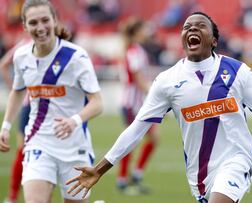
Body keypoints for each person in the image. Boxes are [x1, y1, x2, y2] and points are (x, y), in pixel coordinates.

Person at [66, 12, 252, 203]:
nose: (191, 29)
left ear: (213, 39)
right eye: (186, 27)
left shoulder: (238, 72)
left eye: (200, 25)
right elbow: (137, 128)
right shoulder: (167, 81)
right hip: (199, 175)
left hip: (237, 161)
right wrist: (101, 168)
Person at [0, 0, 103, 203]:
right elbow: (18, 91)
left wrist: (74, 120)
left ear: (55, 20)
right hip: (39, 142)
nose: (40, 28)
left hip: (75, 147)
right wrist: (6, 125)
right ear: (24, 25)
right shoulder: (21, 56)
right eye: (33, 22)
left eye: (45, 20)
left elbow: (97, 102)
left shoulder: (76, 57)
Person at [116, 17, 159, 194]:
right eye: (143, 28)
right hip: (132, 104)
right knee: (131, 141)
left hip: (137, 103)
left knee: (151, 138)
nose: (147, 32)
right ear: (136, 32)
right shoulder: (134, 51)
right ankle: (124, 179)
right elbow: (138, 79)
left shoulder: (136, 50)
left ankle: (134, 175)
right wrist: (156, 96)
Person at [0, 38, 31, 203]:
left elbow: (3, 65)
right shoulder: (25, 45)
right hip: (31, 105)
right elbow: (4, 65)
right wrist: (16, 89)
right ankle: (12, 196)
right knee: (23, 151)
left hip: (50, 109)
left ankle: (12, 197)